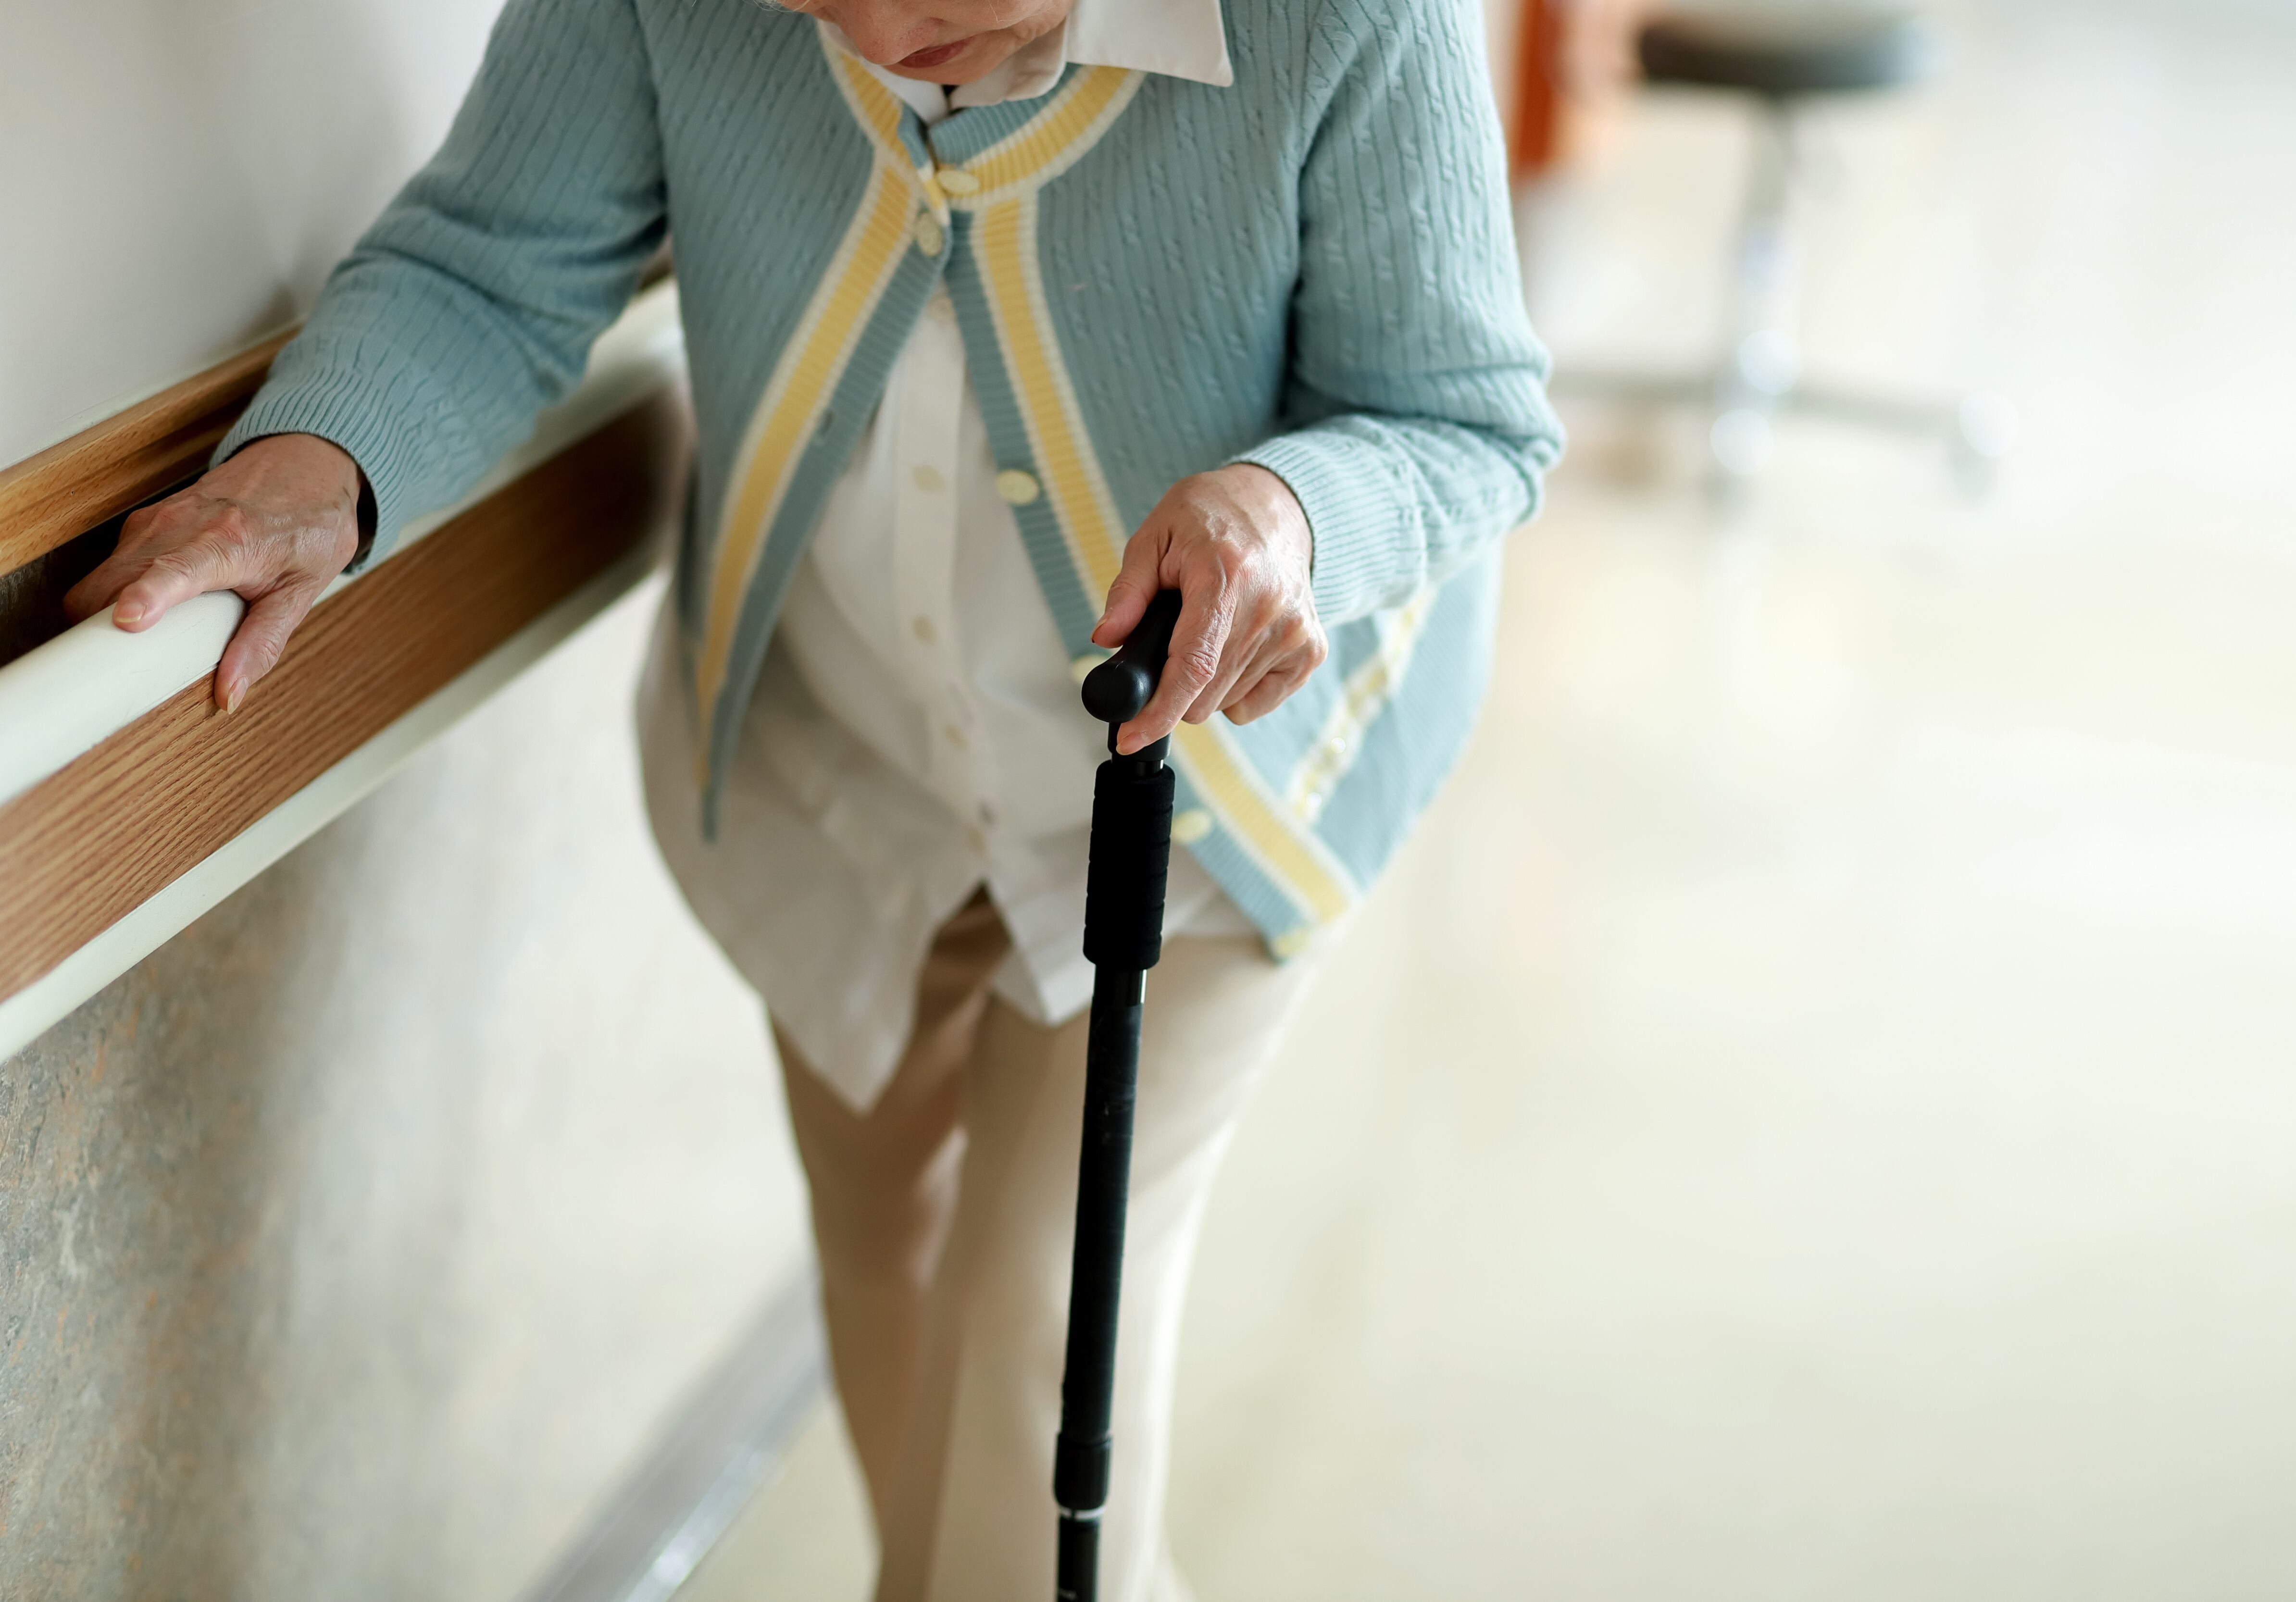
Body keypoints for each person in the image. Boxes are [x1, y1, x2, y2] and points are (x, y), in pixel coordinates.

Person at [65, 0, 1561, 1594]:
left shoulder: (1346, 21)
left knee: (1038, 1348)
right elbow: (492, 264)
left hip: (1194, 813)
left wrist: (1289, 514)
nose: (885, 38)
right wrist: (313, 469)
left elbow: (1463, 420)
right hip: (843, 767)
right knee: (889, 1286)